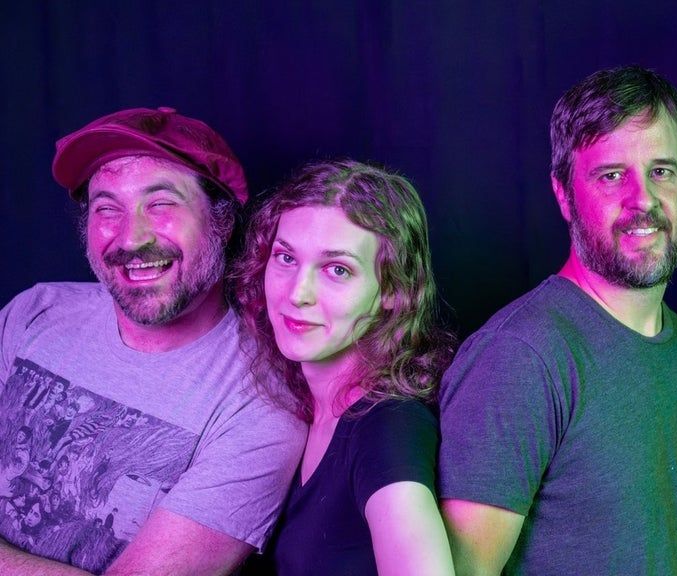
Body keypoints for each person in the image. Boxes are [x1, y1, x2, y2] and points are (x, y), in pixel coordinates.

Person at [438, 66, 677, 575]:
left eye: (662, 171)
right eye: (611, 176)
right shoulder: (520, 357)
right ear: (564, 195)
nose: (643, 199)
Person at [0, 107, 305, 574]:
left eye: (160, 205)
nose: (131, 238)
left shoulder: (262, 401)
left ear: (222, 221)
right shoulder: (35, 312)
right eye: (107, 209)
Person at [234, 159, 457, 575]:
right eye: (285, 257)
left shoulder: (388, 427)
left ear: (394, 290)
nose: (298, 293)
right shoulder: (306, 403)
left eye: (337, 269)